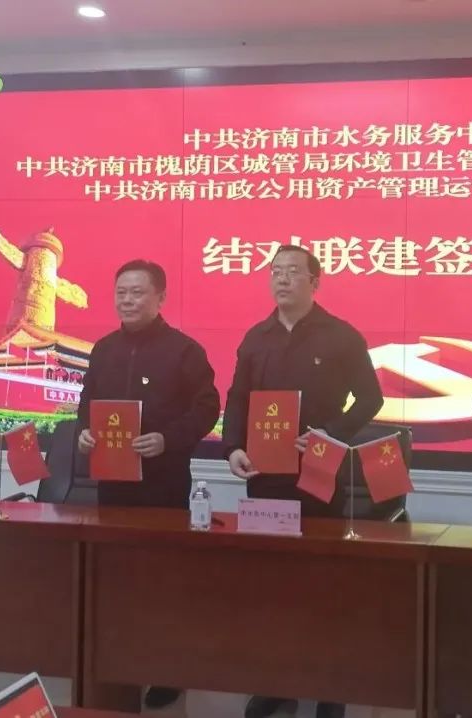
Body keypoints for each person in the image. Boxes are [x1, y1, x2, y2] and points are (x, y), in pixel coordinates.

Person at [222, 245, 383, 718]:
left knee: (323, 586)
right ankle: (278, 685)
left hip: (318, 474)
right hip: (265, 478)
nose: (282, 279)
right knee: (272, 586)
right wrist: (232, 447)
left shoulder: (340, 336)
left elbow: (370, 399)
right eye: (276, 271)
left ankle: (331, 691)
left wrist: (329, 434)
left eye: (293, 272)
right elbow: (238, 398)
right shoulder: (257, 337)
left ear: (315, 282)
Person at [76, 259, 220, 710]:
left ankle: (168, 670)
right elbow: (86, 402)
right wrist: (83, 431)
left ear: (160, 297)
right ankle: (117, 667)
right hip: (112, 485)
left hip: (163, 484)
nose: (127, 300)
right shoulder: (103, 349)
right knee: (116, 579)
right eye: (121, 292)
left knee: (163, 580)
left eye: (137, 292)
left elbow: (207, 408)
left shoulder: (184, 351)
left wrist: (168, 439)